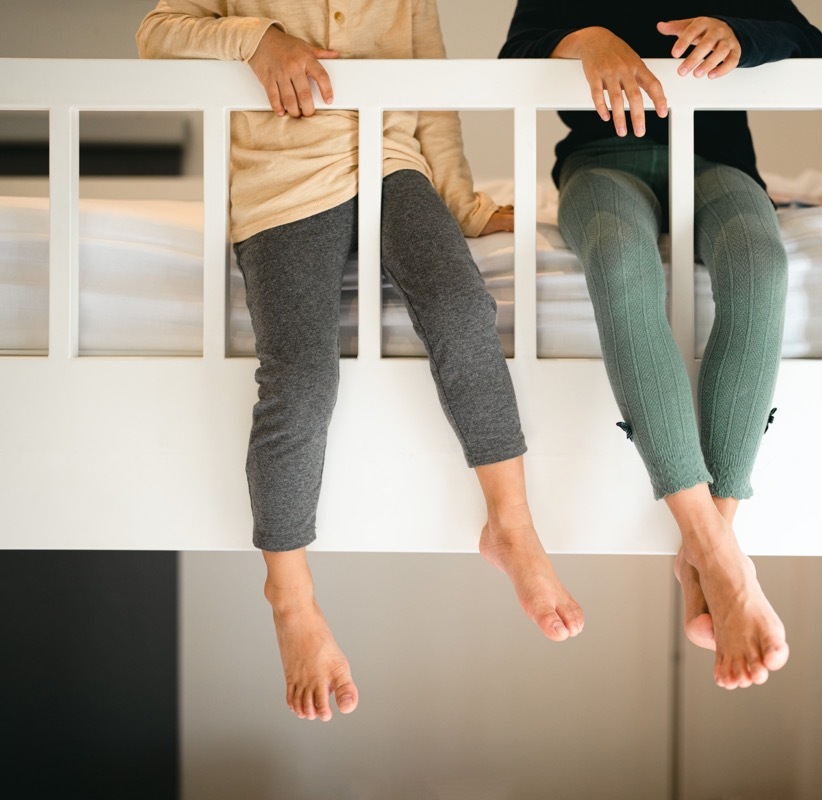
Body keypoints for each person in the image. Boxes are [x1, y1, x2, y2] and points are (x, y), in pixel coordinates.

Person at [137, 0, 584, 722]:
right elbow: (157, 34)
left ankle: (512, 525)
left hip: (392, 168)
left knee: (462, 308)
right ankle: (290, 595)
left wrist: (464, 206)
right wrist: (258, 40)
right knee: (303, 378)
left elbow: (431, 99)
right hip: (280, 184)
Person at [500, 2, 822, 689]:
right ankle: (719, 557)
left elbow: (806, 38)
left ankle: (710, 544)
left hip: (719, 163)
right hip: (599, 164)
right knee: (619, 261)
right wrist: (585, 41)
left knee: (760, 264)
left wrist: (740, 34)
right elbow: (516, 53)